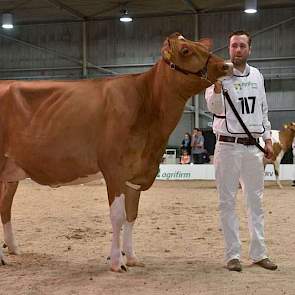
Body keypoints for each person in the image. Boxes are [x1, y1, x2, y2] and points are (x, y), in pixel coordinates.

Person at [205, 30, 277, 272]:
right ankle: (232, 255)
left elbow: (263, 110)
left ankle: (259, 253)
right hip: (227, 146)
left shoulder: (257, 75)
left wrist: (267, 139)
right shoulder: (220, 74)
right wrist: (216, 87)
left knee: (255, 202)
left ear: (249, 49)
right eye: (234, 45)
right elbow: (213, 108)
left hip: (253, 148)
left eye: (242, 46)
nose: (237, 50)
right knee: (227, 202)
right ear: (229, 49)